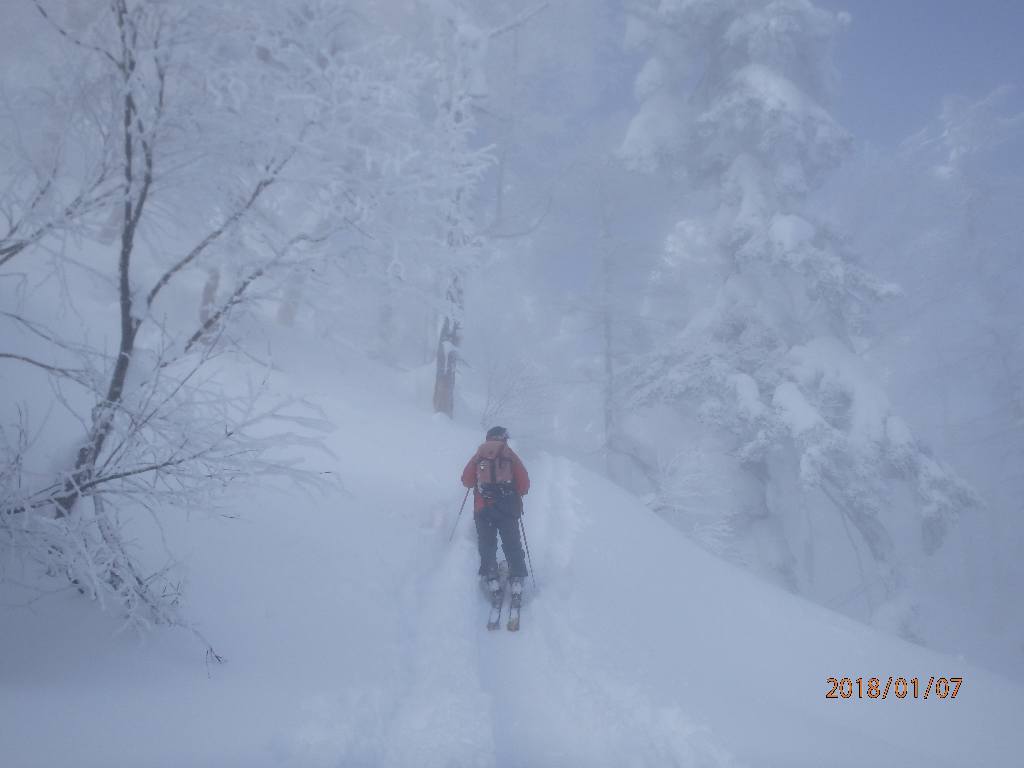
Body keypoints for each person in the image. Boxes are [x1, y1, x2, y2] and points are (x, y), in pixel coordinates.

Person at [461, 426, 530, 595]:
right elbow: (524, 484)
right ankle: (517, 578)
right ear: (504, 438)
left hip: (483, 509)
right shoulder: (509, 455)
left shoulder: (479, 455)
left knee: (487, 544)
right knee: (512, 543)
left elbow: (466, 481)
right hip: (508, 508)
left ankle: (491, 577)